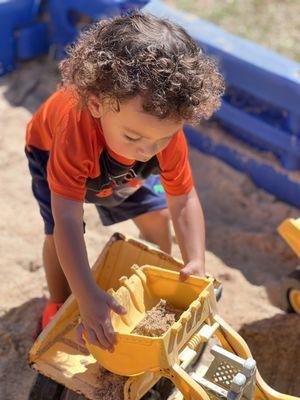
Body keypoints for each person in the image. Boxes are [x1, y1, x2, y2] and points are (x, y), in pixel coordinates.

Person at [25, 12, 224, 352]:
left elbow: (183, 197)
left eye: (162, 139)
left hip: (117, 166)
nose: (148, 151)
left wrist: (196, 261)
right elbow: (68, 222)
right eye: (135, 136)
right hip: (50, 151)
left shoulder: (159, 137)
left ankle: (162, 280)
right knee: (55, 236)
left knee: (158, 214)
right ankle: (58, 301)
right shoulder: (74, 137)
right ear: (97, 104)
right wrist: (86, 296)